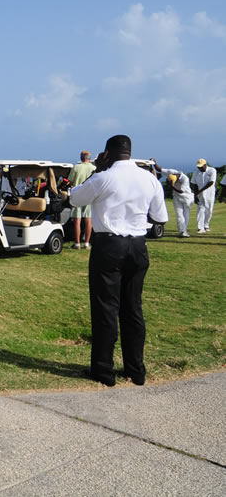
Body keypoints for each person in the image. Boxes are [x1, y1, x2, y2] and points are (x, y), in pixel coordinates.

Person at [67, 135, 167, 387]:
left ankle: (104, 370)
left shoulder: (103, 176)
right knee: (133, 308)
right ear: (130, 152)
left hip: (109, 245)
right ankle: (136, 370)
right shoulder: (149, 178)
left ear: (107, 154)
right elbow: (160, 217)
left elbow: (74, 198)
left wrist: (98, 169)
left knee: (106, 308)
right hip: (137, 245)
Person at [154, 162, 193, 237]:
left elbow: (181, 190)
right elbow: (160, 169)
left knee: (186, 215)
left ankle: (184, 230)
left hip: (187, 197)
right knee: (179, 214)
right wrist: (154, 163)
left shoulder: (185, 178)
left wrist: (172, 186)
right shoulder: (171, 172)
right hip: (176, 197)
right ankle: (182, 232)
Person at [67, 150, 96, 249]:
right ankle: (87, 243)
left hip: (77, 195)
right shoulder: (94, 168)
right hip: (89, 195)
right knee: (88, 220)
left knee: (77, 220)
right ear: (89, 158)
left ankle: (77, 243)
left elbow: (70, 181)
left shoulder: (76, 167)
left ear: (81, 157)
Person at [192, 159, 216, 233]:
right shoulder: (196, 173)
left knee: (209, 211)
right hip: (200, 195)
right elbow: (194, 184)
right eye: (198, 167)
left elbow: (211, 183)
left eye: (201, 166)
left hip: (210, 194)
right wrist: (195, 195)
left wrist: (199, 191)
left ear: (205, 165)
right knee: (200, 210)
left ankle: (206, 226)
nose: (199, 168)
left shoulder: (212, 170)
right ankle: (200, 228)